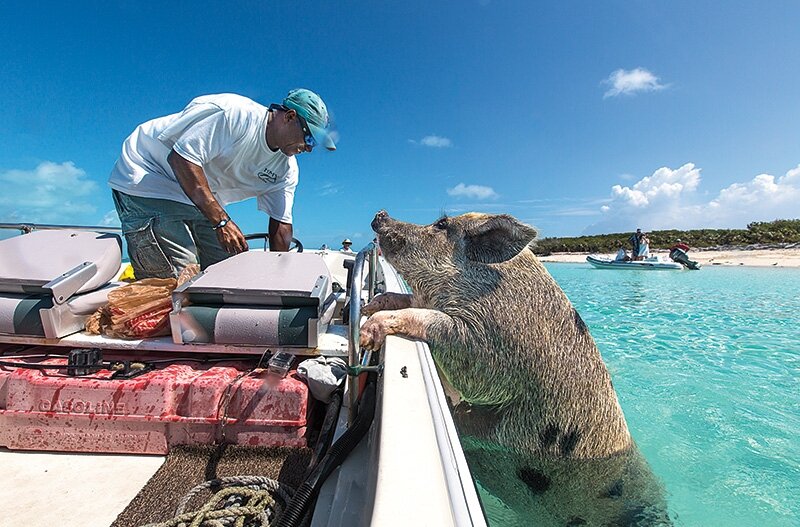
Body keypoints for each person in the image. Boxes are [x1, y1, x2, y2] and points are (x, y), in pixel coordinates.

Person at [108, 89, 336, 279]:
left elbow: (281, 224)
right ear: (289, 117)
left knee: (229, 275)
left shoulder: (287, 169)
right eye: (309, 138)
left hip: (197, 197)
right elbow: (181, 159)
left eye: (313, 144)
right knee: (180, 281)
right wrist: (222, 222)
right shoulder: (234, 114)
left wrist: (279, 277)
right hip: (149, 176)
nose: (308, 148)